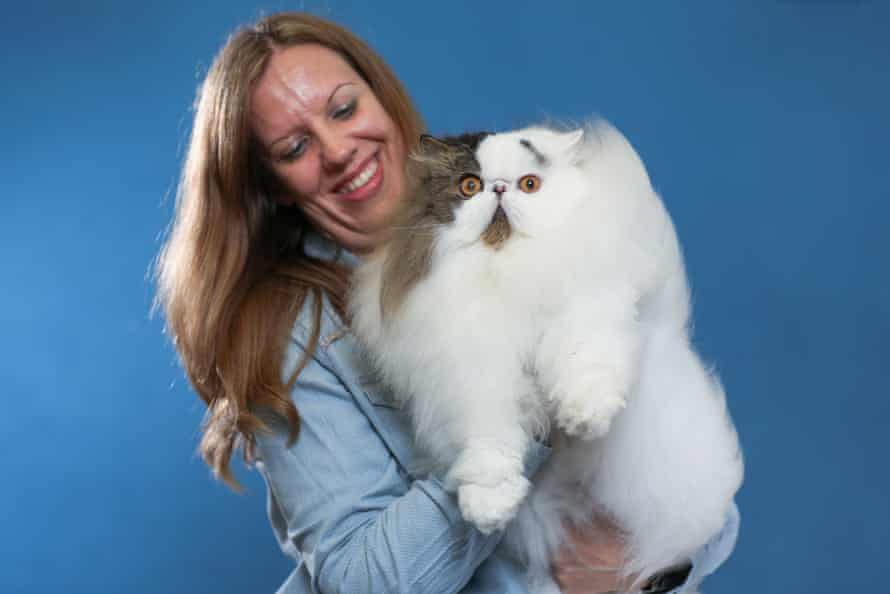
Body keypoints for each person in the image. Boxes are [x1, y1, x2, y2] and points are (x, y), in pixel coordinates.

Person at [156, 12, 739, 594]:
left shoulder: (505, 189)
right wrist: (524, 405)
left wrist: (649, 565)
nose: (336, 150)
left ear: (381, 98)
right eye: (295, 146)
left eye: (343, 109)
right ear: (272, 184)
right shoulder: (288, 331)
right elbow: (363, 583)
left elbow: (699, 483)